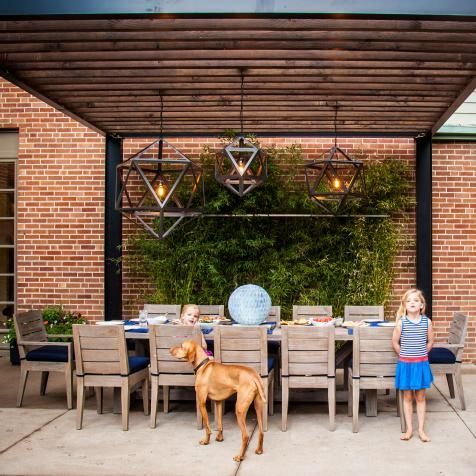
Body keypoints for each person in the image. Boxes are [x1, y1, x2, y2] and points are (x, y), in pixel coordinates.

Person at [392, 288, 434, 442]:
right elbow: (395, 343)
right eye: (409, 301)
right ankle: (409, 429)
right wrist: (403, 355)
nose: (412, 303)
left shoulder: (426, 322)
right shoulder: (401, 323)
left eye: (416, 300)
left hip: (421, 364)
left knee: (421, 397)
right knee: (408, 397)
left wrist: (422, 353)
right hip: (406, 365)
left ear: (421, 305)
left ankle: (421, 430)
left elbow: (430, 341)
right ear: (404, 305)